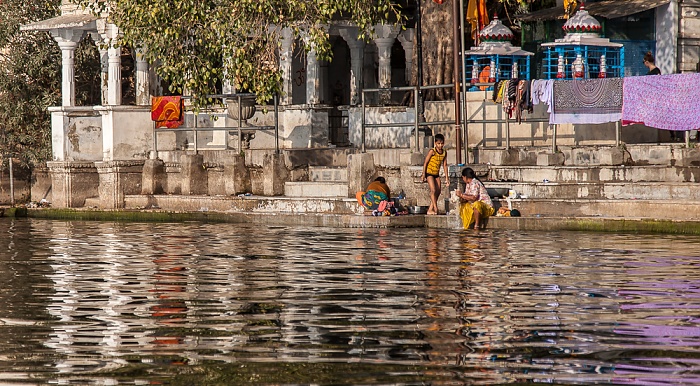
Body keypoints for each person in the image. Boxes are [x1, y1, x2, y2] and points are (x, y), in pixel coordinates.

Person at [421, 133, 449, 215]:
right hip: (429, 173)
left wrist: (447, 178)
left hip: (436, 174)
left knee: (438, 191)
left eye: (442, 143)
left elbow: (445, 165)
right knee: (433, 190)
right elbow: (425, 162)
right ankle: (436, 208)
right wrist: (423, 174)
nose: (440, 145)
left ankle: (430, 209)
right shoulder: (432, 151)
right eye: (438, 143)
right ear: (435, 143)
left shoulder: (444, 153)